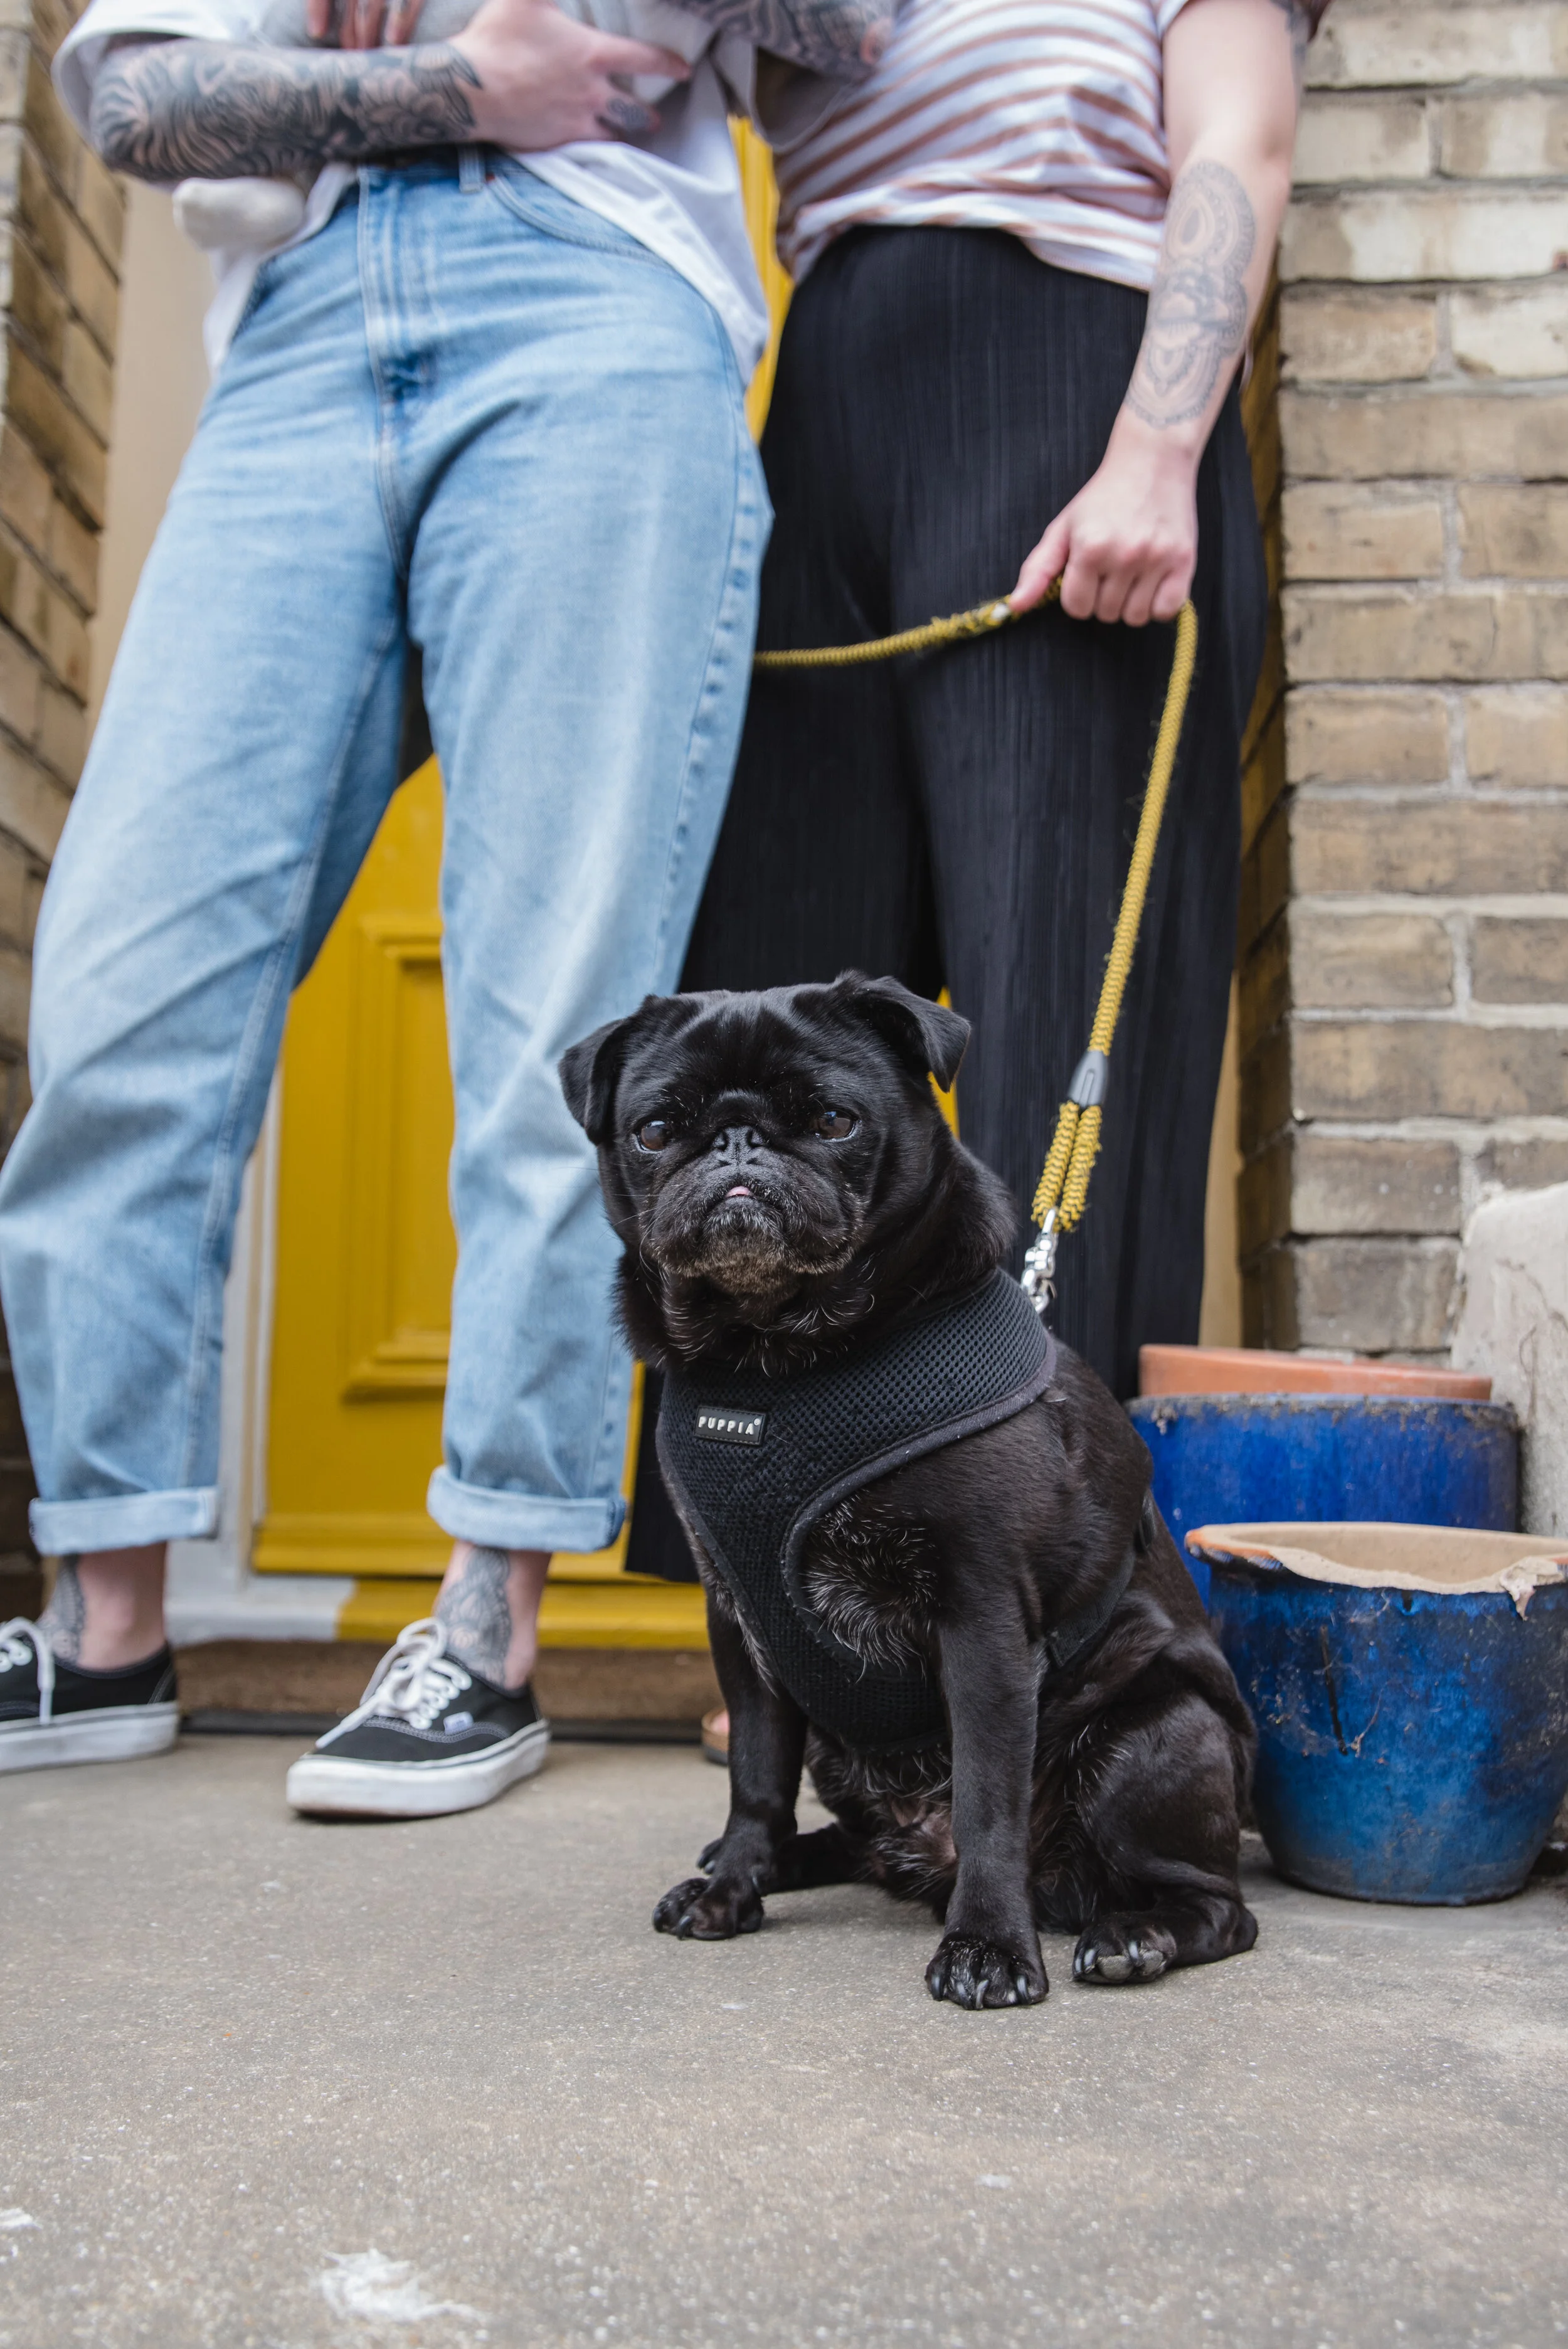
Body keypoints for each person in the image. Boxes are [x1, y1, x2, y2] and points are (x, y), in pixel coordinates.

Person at [0, 0, 891, 1806]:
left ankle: (486, 1624)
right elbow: (137, 96)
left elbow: (848, 25)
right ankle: (105, 1625)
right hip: (298, 337)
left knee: (553, 1006)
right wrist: (462, 84)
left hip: (597, 297)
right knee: (124, 987)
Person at [628, 0, 1325, 1625]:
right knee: (774, 1026)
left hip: (1073, 378)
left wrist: (1157, 449)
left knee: (1055, 1022)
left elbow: (1237, 142)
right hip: (828, 389)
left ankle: (1037, 1611)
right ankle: (797, 1621)